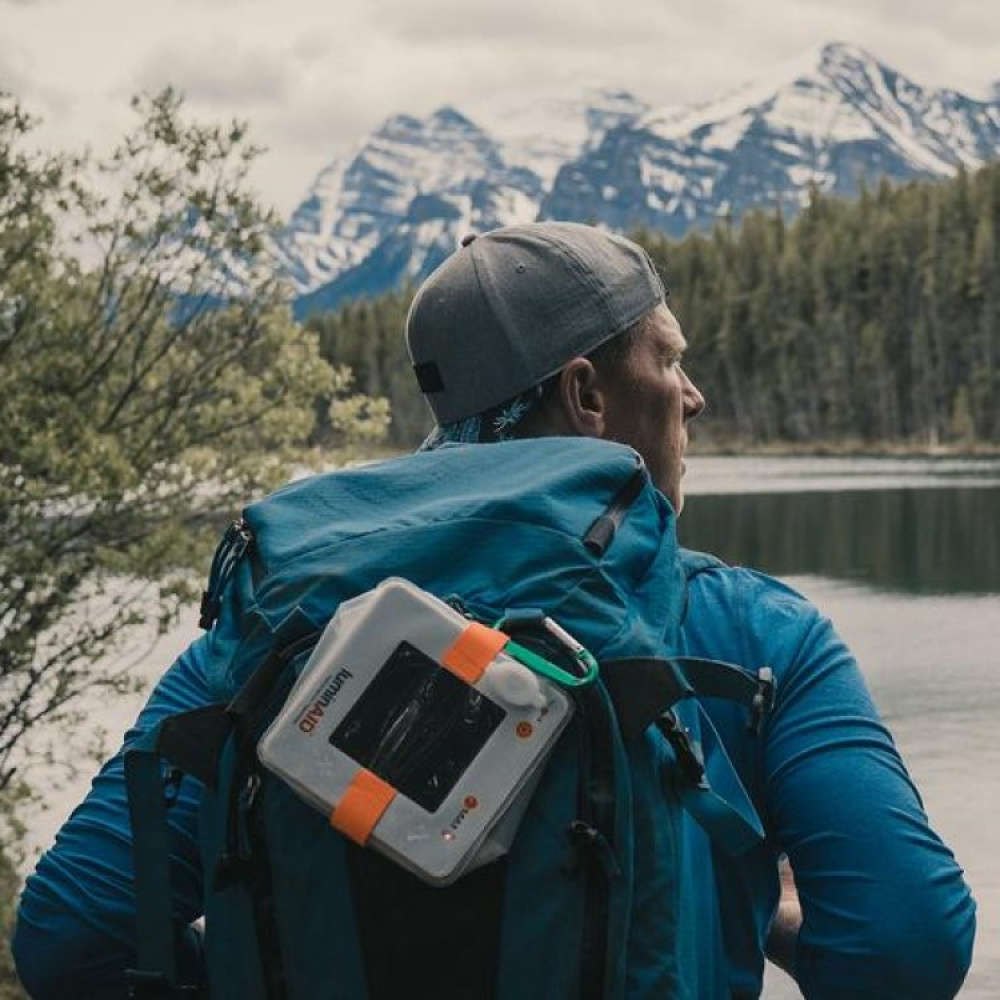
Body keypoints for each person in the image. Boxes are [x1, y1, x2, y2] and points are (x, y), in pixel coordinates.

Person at [12, 222, 975, 999]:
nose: (695, 394)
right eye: (669, 359)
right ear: (588, 394)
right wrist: (759, 907)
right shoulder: (754, 636)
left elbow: (69, 942)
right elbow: (906, 950)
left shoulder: (266, 635)